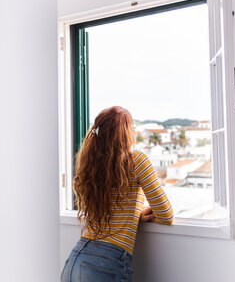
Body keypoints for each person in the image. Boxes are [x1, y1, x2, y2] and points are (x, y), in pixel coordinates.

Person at [60, 106, 174, 282]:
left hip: (76, 259)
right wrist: (143, 214)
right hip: (106, 262)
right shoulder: (137, 160)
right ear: (125, 133)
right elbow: (166, 215)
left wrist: (135, 214)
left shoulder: (92, 166)